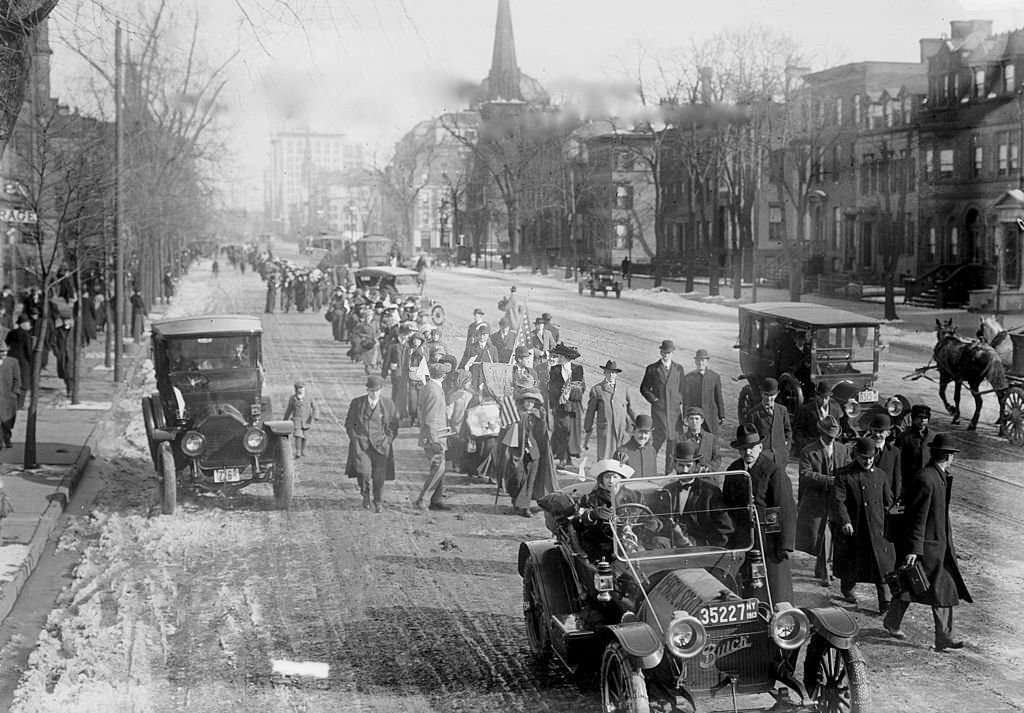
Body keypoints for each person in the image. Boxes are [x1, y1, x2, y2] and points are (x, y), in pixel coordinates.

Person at [882, 434, 972, 652]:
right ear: (949, 456)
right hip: (926, 547)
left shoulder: (937, 476)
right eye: (951, 455)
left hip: (936, 545)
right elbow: (917, 517)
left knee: (920, 588)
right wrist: (914, 550)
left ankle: (894, 623)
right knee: (923, 587)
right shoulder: (927, 479)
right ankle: (943, 638)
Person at [724, 424, 796, 603]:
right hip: (743, 540)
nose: (748, 452)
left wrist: (784, 545)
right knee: (746, 587)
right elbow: (727, 506)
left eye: (751, 448)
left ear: (760, 447)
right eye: (743, 449)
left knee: (773, 588)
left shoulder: (773, 471)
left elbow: (785, 508)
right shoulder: (733, 470)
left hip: (769, 542)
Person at [831, 436, 896, 613]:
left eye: (870, 457)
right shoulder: (844, 474)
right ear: (856, 455)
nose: (867, 461)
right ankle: (848, 588)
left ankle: (885, 602)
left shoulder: (880, 475)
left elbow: (888, 502)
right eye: (863, 457)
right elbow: (838, 501)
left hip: (877, 529)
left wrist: (893, 521)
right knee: (853, 562)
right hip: (855, 528)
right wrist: (845, 521)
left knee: (881, 568)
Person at [796, 416, 851, 587]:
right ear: (821, 433)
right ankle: (826, 571)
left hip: (836, 500)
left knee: (833, 534)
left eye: (833, 436)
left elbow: (848, 470)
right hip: (816, 500)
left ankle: (823, 568)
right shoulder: (808, 450)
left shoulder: (843, 450)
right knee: (821, 534)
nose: (831, 439)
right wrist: (829, 480)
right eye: (828, 436)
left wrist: (842, 483)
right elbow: (805, 474)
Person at [497, 388, 556, 517]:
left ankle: (524, 507)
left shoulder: (537, 416)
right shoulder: (515, 415)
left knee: (529, 480)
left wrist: (542, 419)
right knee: (517, 478)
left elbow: (542, 436)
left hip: (534, 452)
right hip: (517, 451)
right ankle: (516, 499)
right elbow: (505, 432)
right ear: (522, 402)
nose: (529, 404)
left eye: (532, 402)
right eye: (527, 401)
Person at [664, 440, 734, 548]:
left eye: (688, 465)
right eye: (680, 465)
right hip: (672, 550)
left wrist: (704, 547)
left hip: (701, 550)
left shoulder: (711, 492)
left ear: (697, 466)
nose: (685, 470)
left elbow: (724, 528)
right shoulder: (667, 490)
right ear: (674, 465)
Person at [345, 375, 399, 512]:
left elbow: (394, 426)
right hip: (362, 446)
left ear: (381, 390)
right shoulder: (357, 403)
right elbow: (349, 424)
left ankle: (378, 501)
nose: (374, 393)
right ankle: (365, 495)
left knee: (379, 476)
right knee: (364, 473)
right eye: (371, 390)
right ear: (367, 390)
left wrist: (388, 440)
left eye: (376, 390)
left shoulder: (388, 404)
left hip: (381, 446)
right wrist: (355, 439)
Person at [640, 339, 686, 472]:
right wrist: (654, 400)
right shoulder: (652, 369)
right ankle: (647, 468)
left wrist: (679, 400)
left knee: (673, 442)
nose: (666, 355)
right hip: (659, 412)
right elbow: (644, 388)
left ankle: (668, 472)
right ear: (660, 352)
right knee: (658, 439)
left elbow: (683, 388)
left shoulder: (678, 369)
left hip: (674, 413)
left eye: (669, 353)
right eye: (664, 352)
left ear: (672, 353)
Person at [414, 362, 451, 511]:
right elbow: (430, 418)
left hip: (436, 434)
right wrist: (434, 440)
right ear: (443, 376)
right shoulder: (434, 391)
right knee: (438, 468)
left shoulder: (430, 387)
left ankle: (436, 499)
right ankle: (423, 499)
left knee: (439, 468)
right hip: (434, 437)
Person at [584, 360, 635, 460]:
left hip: (621, 428)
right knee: (605, 456)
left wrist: (636, 422)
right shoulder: (597, 389)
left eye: (613, 373)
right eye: (609, 372)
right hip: (606, 429)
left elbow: (629, 408)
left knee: (622, 455)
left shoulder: (623, 388)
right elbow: (590, 412)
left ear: (616, 374)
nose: (611, 375)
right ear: (604, 373)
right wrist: (588, 427)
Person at [548, 343, 585, 468]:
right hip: (560, 407)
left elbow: (580, 388)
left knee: (571, 432)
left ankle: (568, 458)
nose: (559, 358)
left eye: (561, 356)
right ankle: (562, 458)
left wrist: (569, 392)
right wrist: (556, 401)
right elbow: (551, 389)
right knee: (561, 431)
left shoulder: (577, 369)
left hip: (573, 407)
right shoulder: (555, 369)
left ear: (566, 357)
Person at [745, 377, 793, 469]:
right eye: (766, 395)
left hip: (780, 459)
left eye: (772, 395)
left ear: (777, 394)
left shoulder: (782, 410)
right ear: (761, 394)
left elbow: (788, 431)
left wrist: (786, 449)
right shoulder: (753, 414)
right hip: (762, 460)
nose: (769, 398)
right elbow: (749, 439)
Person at [683, 349, 725, 434]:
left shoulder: (714, 377)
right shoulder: (688, 378)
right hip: (695, 417)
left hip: (711, 416)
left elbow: (718, 397)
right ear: (695, 362)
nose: (700, 363)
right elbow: (686, 400)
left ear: (707, 362)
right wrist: (685, 416)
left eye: (702, 360)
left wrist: (721, 415)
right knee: (694, 440)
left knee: (712, 441)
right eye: (698, 360)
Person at [794, 382, 842, 452]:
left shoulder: (835, 410)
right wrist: (804, 444)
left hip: (830, 447)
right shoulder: (806, 409)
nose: (824, 400)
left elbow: (837, 430)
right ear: (816, 396)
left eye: (826, 398)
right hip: (812, 447)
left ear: (829, 397)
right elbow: (798, 430)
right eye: (821, 397)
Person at [866, 412, 902, 503]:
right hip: (868, 498)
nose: (877, 435)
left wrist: (896, 498)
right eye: (875, 431)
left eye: (881, 432)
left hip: (886, 498)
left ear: (888, 433)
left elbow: (897, 477)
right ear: (871, 430)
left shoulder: (894, 452)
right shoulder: (863, 450)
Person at [895, 404, 931, 493]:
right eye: (920, 417)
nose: (922, 420)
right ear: (913, 418)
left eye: (925, 418)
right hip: (909, 482)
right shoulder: (903, 437)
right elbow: (897, 462)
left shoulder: (932, 437)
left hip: (928, 481)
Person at [283, 382, 317, 459]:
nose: (300, 390)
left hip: (306, 420)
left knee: (305, 436)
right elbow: (289, 410)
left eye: (302, 388)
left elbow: (315, 407)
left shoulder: (309, 397)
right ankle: (298, 451)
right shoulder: (293, 398)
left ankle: (303, 451)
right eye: (299, 388)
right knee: (298, 435)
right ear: (295, 389)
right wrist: (285, 420)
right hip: (296, 420)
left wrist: (315, 416)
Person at [680, 406, 720, 471]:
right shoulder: (682, 439)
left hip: (708, 476)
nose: (694, 422)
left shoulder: (711, 438)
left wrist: (709, 468)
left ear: (702, 420)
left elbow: (717, 458)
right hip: (689, 476)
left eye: (696, 419)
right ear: (687, 420)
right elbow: (679, 461)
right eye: (691, 419)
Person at [5, 315, 32, 408]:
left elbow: (7, 344)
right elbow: (28, 350)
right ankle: (20, 404)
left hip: (11, 360)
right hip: (23, 362)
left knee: (13, 381)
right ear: (23, 324)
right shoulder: (26, 335)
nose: (29, 325)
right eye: (28, 323)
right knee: (24, 383)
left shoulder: (11, 333)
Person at [0, 342, 21, 448]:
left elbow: (17, 379)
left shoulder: (13, 362)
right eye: (0, 351)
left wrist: (14, 392)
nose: (3, 353)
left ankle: (7, 437)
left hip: (8, 397)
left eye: (4, 351)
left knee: (7, 420)